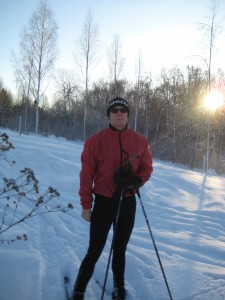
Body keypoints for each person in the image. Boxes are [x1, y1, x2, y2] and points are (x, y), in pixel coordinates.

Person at [72, 97, 153, 300]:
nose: (119, 113)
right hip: (104, 201)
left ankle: (119, 288)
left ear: (128, 114)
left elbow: (147, 167)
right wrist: (86, 205)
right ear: (108, 115)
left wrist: (136, 180)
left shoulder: (140, 141)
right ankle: (79, 290)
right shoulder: (95, 140)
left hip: (127, 202)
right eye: (114, 110)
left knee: (120, 250)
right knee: (95, 250)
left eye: (123, 110)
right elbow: (86, 175)